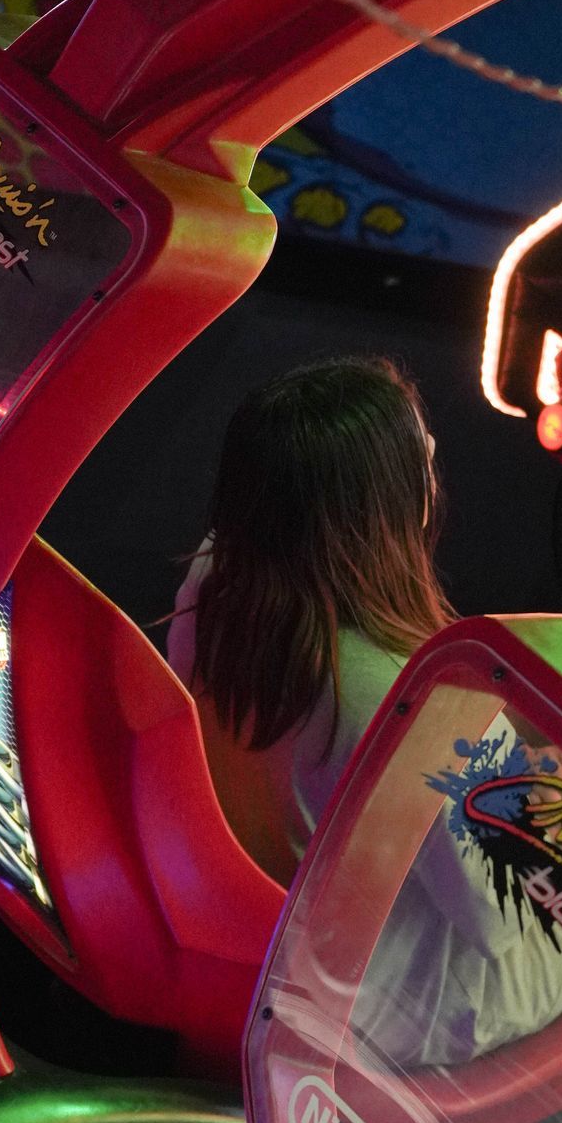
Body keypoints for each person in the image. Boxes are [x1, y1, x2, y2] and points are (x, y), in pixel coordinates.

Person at [168, 354, 451, 886]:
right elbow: (498, 922)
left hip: (247, 884)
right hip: (351, 956)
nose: (433, 459)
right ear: (377, 508)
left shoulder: (217, 571)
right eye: (422, 459)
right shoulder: (403, 692)